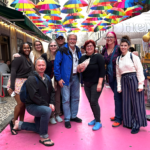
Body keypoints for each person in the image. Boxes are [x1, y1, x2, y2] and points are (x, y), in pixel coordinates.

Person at [11, 57, 55, 146]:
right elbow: (34, 96)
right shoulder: (31, 78)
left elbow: (52, 92)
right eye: (39, 65)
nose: (41, 67)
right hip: (32, 106)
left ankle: (19, 125)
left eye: (43, 65)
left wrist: (51, 102)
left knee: (39, 128)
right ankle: (44, 137)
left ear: (45, 66)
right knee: (47, 111)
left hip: (42, 105)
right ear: (35, 67)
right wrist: (47, 105)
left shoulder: (47, 78)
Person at [116, 35, 147, 134]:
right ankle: (129, 122)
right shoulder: (118, 59)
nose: (123, 47)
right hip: (124, 81)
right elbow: (118, 74)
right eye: (121, 45)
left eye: (125, 45)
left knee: (136, 103)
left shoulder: (133, 57)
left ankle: (137, 124)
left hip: (134, 79)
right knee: (127, 103)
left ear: (128, 46)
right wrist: (119, 86)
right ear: (119, 46)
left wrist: (140, 84)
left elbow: (140, 70)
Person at [54, 34, 82, 128]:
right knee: (66, 99)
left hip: (76, 77)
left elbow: (80, 62)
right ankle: (67, 118)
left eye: (74, 39)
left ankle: (73, 116)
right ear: (68, 40)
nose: (72, 41)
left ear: (76, 40)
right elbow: (56, 64)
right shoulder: (62, 50)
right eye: (71, 39)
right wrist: (58, 78)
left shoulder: (78, 50)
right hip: (65, 78)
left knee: (76, 97)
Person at [77, 40, 105, 131]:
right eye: (87, 46)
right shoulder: (82, 58)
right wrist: (79, 68)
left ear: (94, 47)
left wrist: (100, 84)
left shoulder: (98, 57)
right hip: (86, 83)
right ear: (85, 48)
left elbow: (102, 71)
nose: (89, 47)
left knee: (94, 101)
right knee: (91, 102)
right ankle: (96, 118)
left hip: (96, 83)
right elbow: (80, 70)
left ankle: (98, 121)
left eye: (91, 46)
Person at [7, 43, 34, 125]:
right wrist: (12, 86)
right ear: (21, 49)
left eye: (28, 48)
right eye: (24, 48)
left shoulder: (29, 59)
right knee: (20, 103)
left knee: (24, 104)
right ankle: (13, 122)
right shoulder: (18, 58)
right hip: (17, 82)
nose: (27, 49)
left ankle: (21, 122)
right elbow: (13, 71)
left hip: (25, 83)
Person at [101, 31, 122, 127]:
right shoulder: (104, 49)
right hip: (110, 77)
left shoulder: (118, 49)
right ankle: (119, 114)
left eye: (111, 37)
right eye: (107, 37)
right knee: (117, 97)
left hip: (119, 77)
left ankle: (118, 118)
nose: (109, 38)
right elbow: (100, 60)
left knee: (117, 97)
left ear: (115, 39)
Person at [41, 40, 63, 124]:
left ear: (57, 46)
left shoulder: (59, 55)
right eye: (51, 45)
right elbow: (40, 66)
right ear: (49, 47)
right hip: (47, 80)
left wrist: (59, 79)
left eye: (54, 45)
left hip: (57, 80)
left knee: (57, 99)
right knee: (49, 99)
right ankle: (50, 116)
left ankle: (57, 114)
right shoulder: (44, 56)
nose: (53, 47)